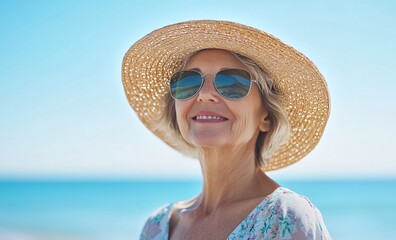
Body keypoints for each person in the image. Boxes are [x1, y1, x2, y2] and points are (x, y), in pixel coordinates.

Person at [122, 20, 332, 240]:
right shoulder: (157, 226)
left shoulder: (286, 217)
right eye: (188, 82)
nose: (204, 93)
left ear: (266, 117)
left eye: (232, 83)